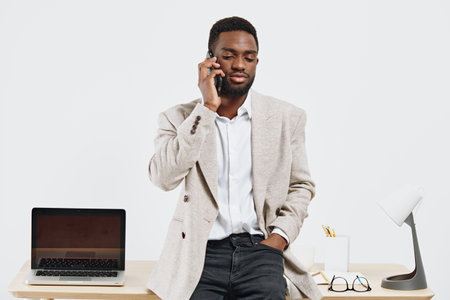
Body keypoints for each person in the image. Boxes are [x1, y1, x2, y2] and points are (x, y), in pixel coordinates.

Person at [146, 16, 321, 300]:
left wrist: (277, 239)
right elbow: (163, 178)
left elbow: (301, 186)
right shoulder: (178, 118)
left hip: (260, 250)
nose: (240, 65)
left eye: (249, 58)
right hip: (199, 253)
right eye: (229, 56)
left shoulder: (287, 118)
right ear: (210, 60)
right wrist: (207, 108)